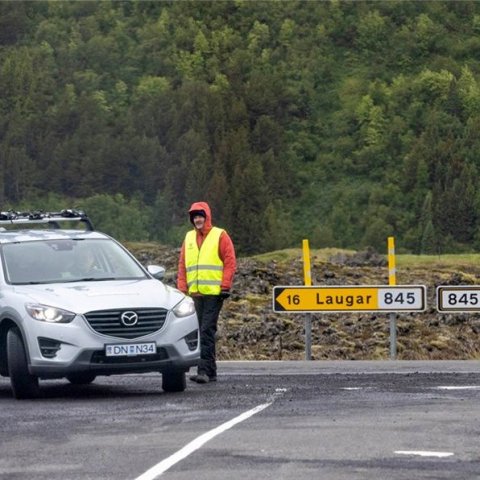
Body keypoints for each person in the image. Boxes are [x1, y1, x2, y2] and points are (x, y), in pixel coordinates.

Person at [177, 201, 236, 384]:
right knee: (202, 332)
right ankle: (210, 372)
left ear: (207, 217)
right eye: (194, 217)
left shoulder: (220, 235)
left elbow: (230, 261)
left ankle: (203, 370)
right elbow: (182, 265)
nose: (197, 219)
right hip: (195, 295)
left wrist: (225, 286)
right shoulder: (188, 238)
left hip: (213, 294)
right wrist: (182, 289)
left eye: (200, 216)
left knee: (206, 330)